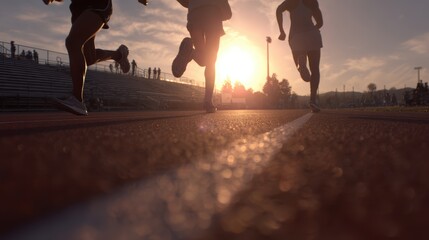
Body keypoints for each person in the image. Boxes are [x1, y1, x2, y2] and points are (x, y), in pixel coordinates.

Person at [44, 0, 147, 115]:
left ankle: (77, 99)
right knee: (89, 58)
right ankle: (118, 55)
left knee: (73, 42)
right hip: (78, 10)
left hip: (96, 5)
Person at [173, 0, 231, 113]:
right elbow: (228, 13)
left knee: (203, 59)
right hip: (213, 15)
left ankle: (191, 53)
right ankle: (208, 101)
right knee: (211, 61)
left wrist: (192, 4)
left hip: (194, 14)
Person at [276, 0, 323, 113]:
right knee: (315, 69)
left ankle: (300, 63)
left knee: (300, 65)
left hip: (296, 36)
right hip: (312, 35)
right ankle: (313, 100)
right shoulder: (313, 2)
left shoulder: (291, 1)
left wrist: (282, 31)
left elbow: (278, 10)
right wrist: (314, 27)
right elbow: (320, 22)